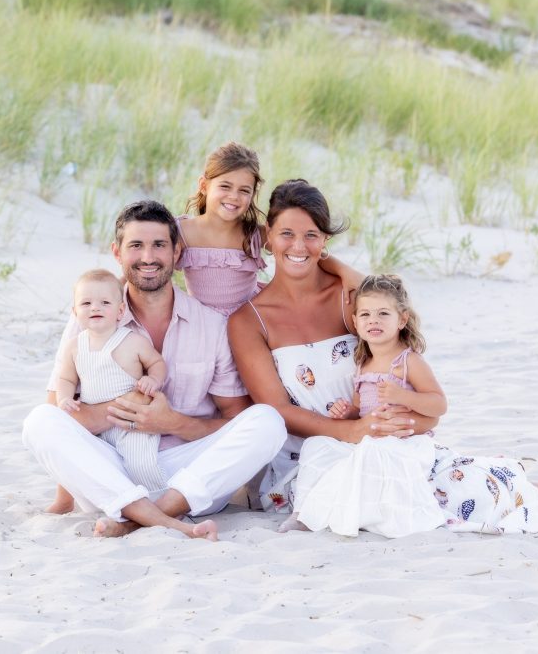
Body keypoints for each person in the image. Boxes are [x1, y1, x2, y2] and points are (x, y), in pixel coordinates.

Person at [22, 200, 286, 541]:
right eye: (136, 245)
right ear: (117, 253)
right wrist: (126, 409)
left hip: (188, 473)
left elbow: (233, 421)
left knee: (268, 422)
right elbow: (59, 414)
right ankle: (146, 510)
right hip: (113, 467)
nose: (148, 257)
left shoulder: (211, 325)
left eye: (159, 245)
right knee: (38, 423)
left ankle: (140, 517)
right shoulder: (90, 317)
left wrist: (170, 423)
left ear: (177, 253)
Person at [288, 274, 538, 537]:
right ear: (355, 322)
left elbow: (439, 404)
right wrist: (347, 412)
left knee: (375, 453)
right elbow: (361, 408)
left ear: (402, 319)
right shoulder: (362, 363)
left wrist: (403, 397)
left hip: (405, 443)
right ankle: (303, 513)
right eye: (366, 315)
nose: (374, 321)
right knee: (317, 445)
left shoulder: (408, 362)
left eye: (383, 313)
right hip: (371, 438)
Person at [227, 179, 431, 514]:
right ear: (269, 236)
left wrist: (339, 268)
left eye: (311, 235)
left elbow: (399, 351)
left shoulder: (348, 296)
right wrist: (350, 431)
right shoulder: (249, 321)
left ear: (325, 240)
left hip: (380, 437)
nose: (298, 246)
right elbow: (277, 409)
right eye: (287, 234)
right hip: (305, 456)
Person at [177, 142, 362, 317]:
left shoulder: (253, 234)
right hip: (202, 321)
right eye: (225, 186)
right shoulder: (183, 232)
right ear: (203, 186)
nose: (234, 196)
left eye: (244, 190)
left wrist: (345, 271)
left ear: (253, 194)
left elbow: (301, 250)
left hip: (249, 319)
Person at [52, 269, 168, 500]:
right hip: (95, 427)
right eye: (86, 303)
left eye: (105, 302)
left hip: (131, 425)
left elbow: (157, 362)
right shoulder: (74, 346)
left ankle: (158, 500)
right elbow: (65, 379)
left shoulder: (132, 341)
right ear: (75, 312)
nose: (95, 308)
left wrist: (152, 379)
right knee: (96, 467)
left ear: (120, 311)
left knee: (140, 464)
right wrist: (63, 399)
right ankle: (121, 504)